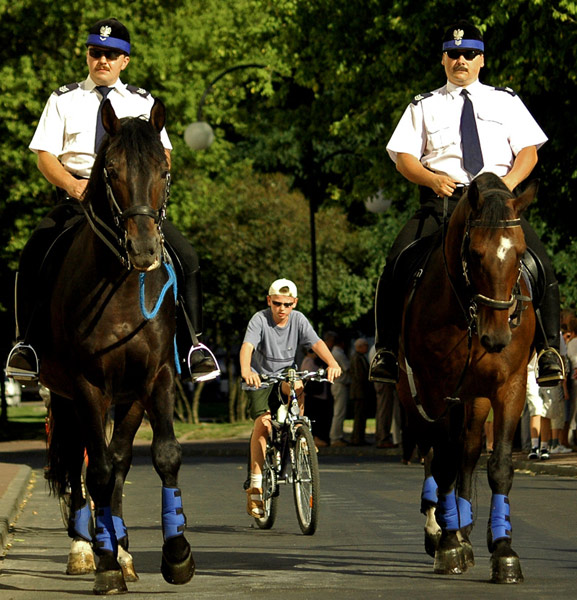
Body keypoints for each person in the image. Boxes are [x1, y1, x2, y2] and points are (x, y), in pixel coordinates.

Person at [5, 18, 218, 383]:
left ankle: (193, 345)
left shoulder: (143, 100)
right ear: (88, 56)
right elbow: (44, 155)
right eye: (96, 52)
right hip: (78, 200)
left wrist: (144, 186)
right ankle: (26, 346)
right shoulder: (63, 98)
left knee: (187, 257)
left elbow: (163, 155)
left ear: (125, 61)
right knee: (33, 254)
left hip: (131, 201)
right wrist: (73, 185)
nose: (102, 60)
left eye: (111, 54)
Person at [369, 19, 564, 389]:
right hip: (444, 200)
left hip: (497, 203)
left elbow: (527, 151)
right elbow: (404, 158)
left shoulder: (505, 101)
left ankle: (549, 349)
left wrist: (508, 184)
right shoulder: (422, 105)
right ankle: (386, 351)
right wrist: (430, 178)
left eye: (469, 54)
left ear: (482, 60)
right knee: (396, 262)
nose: (461, 60)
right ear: (443, 60)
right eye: (454, 54)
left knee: (540, 263)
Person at [239, 278, 341, 517]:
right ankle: (255, 486)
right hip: (261, 380)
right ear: (269, 301)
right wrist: (246, 370)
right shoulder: (259, 320)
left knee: (296, 384)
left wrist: (332, 363)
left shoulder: (299, 320)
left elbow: (316, 343)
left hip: (285, 376)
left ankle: (299, 430)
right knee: (263, 425)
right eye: (276, 303)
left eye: (287, 304)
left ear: (294, 303)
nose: (281, 309)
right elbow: (247, 347)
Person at [300, 348, 332, 447]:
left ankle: (316, 438)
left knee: (316, 416)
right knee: (314, 417)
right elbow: (310, 376)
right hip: (314, 394)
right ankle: (315, 438)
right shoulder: (309, 361)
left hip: (316, 394)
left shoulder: (309, 361)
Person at [349, 338, 375, 446]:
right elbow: (360, 375)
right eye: (365, 345)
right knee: (359, 416)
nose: (367, 347)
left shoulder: (360, 357)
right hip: (359, 392)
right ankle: (357, 438)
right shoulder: (357, 358)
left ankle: (359, 437)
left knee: (361, 416)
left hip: (360, 391)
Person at [327, 333, 351, 447]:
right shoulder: (338, 353)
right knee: (339, 412)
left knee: (339, 411)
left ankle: (337, 436)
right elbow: (347, 367)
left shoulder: (335, 352)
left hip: (339, 384)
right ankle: (335, 437)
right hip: (340, 384)